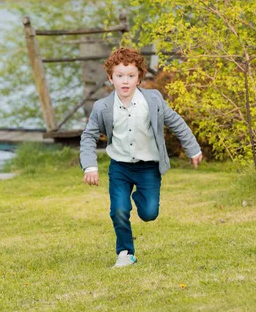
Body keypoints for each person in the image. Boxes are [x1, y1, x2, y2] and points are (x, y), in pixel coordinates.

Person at [80, 47, 203, 268]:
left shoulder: (152, 100)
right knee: (119, 210)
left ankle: (138, 199)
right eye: (119, 76)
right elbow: (88, 136)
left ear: (139, 78)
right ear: (110, 78)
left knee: (149, 213)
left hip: (148, 167)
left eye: (130, 76)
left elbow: (176, 122)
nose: (125, 81)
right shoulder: (103, 107)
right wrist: (90, 166)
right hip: (120, 168)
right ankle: (125, 253)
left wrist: (193, 149)